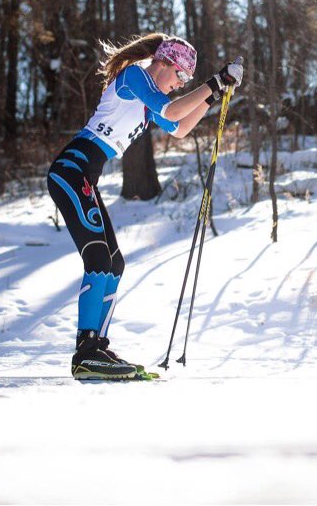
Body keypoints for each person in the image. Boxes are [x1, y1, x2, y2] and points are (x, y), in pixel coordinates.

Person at [46, 33, 243, 380]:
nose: (179, 84)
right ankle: (86, 352)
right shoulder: (136, 76)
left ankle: (97, 346)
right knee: (97, 258)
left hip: (83, 176)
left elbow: (180, 127)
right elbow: (172, 109)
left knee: (114, 263)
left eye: (185, 81)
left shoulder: (151, 96)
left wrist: (216, 92)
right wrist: (214, 80)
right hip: (70, 170)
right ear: (164, 62)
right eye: (180, 76)